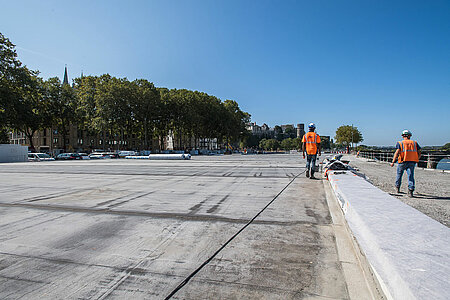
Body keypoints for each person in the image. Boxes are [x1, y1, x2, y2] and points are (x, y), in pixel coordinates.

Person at [390, 130, 421, 197]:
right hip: (412, 161)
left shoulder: (400, 143)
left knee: (399, 175)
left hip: (402, 161)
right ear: (410, 135)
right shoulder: (414, 143)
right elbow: (419, 153)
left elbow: (397, 153)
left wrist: (393, 161)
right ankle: (410, 190)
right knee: (411, 176)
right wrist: (417, 159)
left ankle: (397, 188)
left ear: (402, 136)